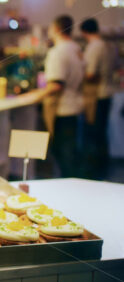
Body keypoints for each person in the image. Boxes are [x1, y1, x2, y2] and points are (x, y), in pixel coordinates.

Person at [33, 15, 84, 177]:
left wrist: (34, 95)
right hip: (75, 105)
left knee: (63, 155)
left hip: (61, 109)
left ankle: (68, 189)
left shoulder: (57, 52)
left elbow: (56, 84)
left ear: (56, 29)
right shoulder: (76, 48)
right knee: (70, 153)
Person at [80, 18, 112, 179]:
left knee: (95, 134)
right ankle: (102, 169)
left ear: (84, 32)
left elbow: (91, 74)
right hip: (107, 93)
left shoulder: (94, 47)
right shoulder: (106, 45)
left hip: (97, 95)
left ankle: (95, 172)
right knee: (101, 133)